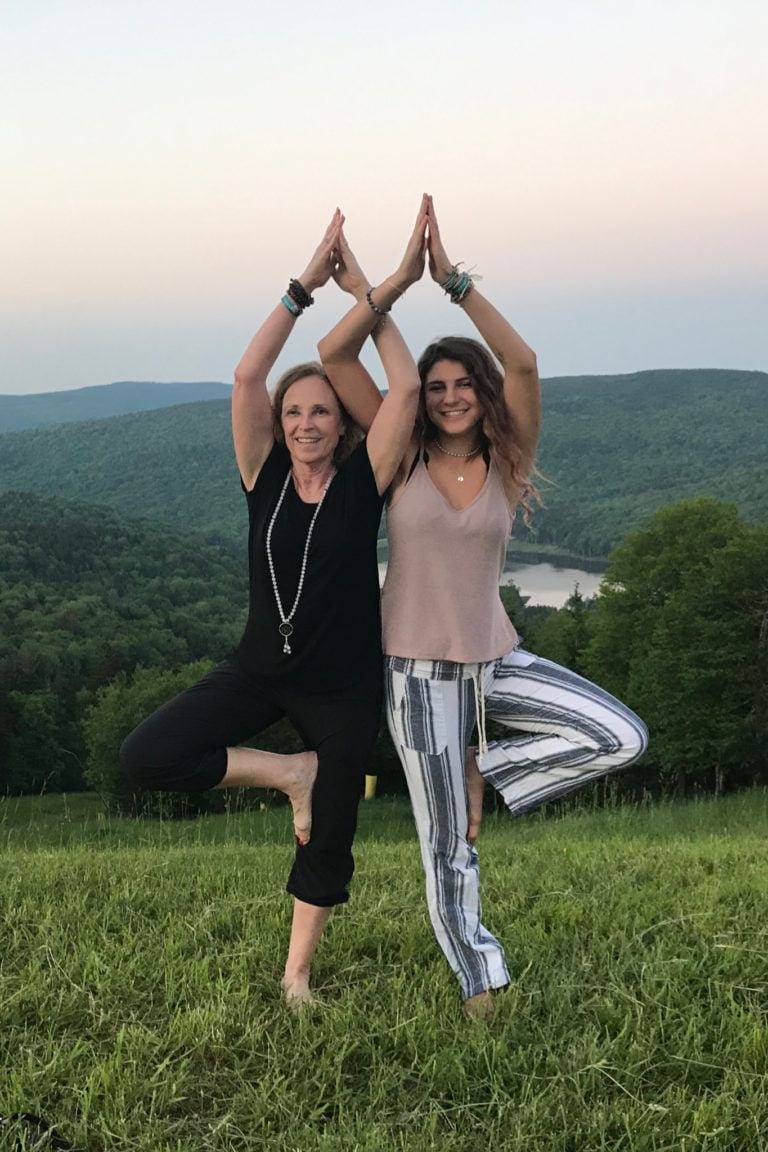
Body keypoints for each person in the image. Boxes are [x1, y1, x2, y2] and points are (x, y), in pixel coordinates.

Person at [319, 195, 649, 1019]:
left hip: (498, 658)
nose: (453, 396)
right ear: (421, 399)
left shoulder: (509, 458)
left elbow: (527, 363)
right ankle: (482, 981)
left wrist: (454, 281)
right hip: (418, 673)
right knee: (448, 849)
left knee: (618, 735)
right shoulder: (398, 457)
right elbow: (336, 355)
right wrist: (385, 283)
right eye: (436, 387)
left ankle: (484, 767)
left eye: (466, 383)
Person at [121, 204, 427, 1005]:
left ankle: (296, 976)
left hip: (341, 686)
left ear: (342, 424)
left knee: (334, 829)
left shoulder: (367, 485)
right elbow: (246, 377)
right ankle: (289, 772)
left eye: (321, 411)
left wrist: (374, 290)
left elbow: (405, 388)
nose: (304, 422)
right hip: (259, 668)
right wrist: (301, 288)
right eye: (294, 413)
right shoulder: (262, 478)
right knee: (148, 754)